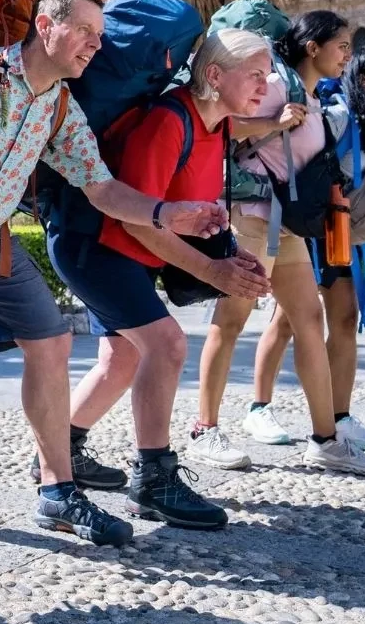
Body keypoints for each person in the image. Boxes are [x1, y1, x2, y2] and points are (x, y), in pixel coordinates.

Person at [0, 0, 227, 548]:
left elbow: (103, 187)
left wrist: (167, 212)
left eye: (101, 36)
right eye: (86, 31)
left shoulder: (60, 105)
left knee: (53, 342)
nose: (95, 44)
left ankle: (57, 492)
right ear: (45, 25)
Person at [51, 29, 274, 528]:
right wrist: (211, 269)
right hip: (96, 248)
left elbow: (179, 212)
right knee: (167, 346)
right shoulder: (170, 121)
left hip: (124, 252)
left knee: (123, 357)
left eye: (268, 75)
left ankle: (58, 451)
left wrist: (228, 254)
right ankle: (153, 481)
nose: (265, 85)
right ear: (214, 75)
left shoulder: (216, 124)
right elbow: (136, 218)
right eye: (255, 74)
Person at [194, 11, 365, 475]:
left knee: (308, 317)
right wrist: (275, 123)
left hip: (285, 224)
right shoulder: (278, 87)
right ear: (313, 47)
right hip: (253, 216)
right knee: (233, 318)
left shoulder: (313, 95)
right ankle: (205, 430)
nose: (348, 54)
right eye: (341, 45)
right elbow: (223, 128)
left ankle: (325, 439)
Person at [247, 44, 365, 451]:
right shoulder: (339, 113)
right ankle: (259, 408)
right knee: (288, 320)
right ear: (363, 77)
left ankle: (340, 416)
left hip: (339, 233)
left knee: (343, 318)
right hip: (317, 228)